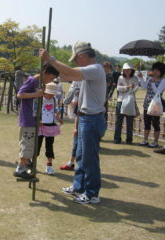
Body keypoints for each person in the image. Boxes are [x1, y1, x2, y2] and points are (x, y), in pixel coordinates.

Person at [40, 41, 107, 204]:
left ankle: (92, 193)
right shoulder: (87, 72)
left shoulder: (95, 69)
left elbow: (70, 71)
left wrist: (51, 59)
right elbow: (67, 75)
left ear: (82, 56)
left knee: (89, 158)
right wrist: (50, 67)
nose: (75, 61)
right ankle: (79, 187)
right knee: (80, 156)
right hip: (85, 118)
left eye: (76, 58)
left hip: (92, 118)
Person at [13, 64, 59, 179]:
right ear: (45, 73)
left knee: (31, 143)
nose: (50, 81)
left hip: (33, 119)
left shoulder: (40, 84)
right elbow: (20, 94)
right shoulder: (32, 80)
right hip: (27, 119)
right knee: (27, 143)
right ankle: (20, 168)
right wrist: (37, 94)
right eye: (51, 78)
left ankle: (27, 162)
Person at [138, 62, 165, 148]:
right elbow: (143, 87)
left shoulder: (164, 81)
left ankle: (155, 141)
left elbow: (158, 92)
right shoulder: (150, 79)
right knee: (146, 123)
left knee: (155, 124)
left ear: (161, 71)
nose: (155, 71)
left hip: (156, 105)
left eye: (157, 70)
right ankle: (145, 140)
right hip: (147, 104)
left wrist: (153, 83)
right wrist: (141, 78)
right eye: (154, 69)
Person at [37, 82, 63, 175]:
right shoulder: (40, 99)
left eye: (53, 94)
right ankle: (32, 165)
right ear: (45, 92)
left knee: (49, 146)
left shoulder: (54, 99)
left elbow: (55, 110)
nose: (51, 95)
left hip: (51, 125)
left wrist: (58, 118)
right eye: (50, 93)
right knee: (37, 146)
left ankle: (49, 166)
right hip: (40, 126)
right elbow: (35, 111)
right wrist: (38, 120)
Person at [113, 63, 139, 144]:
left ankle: (129, 139)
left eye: (129, 69)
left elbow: (136, 88)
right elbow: (118, 88)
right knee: (119, 121)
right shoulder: (120, 77)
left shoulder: (135, 78)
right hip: (120, 101)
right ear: (123, 70)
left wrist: (130, 88)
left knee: (130, 122)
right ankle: (117, 139)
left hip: (130, 101)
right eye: (125, 70)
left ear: (132, 70)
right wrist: (127, 87)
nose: (127, 71)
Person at [60, 81, 81, 171]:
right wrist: (76, 128)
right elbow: (77, 114)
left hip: (89, 125)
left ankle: (80, 166)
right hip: (81, 125)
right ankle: (71, 163)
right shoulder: (82, 98)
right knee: (76, 144)